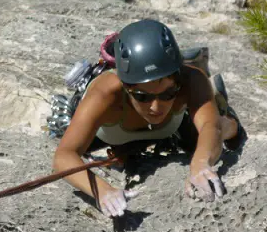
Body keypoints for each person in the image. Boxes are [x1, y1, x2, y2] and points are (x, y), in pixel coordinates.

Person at [52, 19, 246, 217]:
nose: (156, 107)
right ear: (126, 87)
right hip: (110, 131)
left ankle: (221, 110)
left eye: (168, 93)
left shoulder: (191, 80)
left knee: (219, 130)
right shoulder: (105, 94)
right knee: (67, 128)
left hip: (171, 127)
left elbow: (209, 126)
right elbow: (64, 155)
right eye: (142, 97)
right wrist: (103, 191)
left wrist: (200, 164)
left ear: (178, 80)